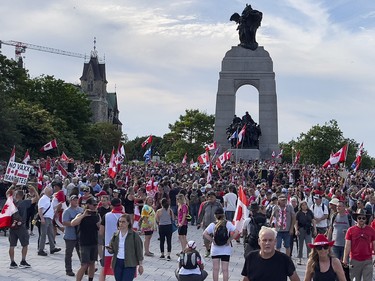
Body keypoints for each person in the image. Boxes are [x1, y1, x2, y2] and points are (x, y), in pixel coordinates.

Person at [6, 186, 38, 269]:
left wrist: (12, 186)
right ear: (22, 196)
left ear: (15, 195)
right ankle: (23, 261)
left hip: (12, 226)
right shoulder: (25, 202)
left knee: (12, 245)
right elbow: (37, 198)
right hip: (21, 226)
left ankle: (12, 262)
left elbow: (7, 193)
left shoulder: (11, 202)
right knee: (25, 244)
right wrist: (34, 189)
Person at [203, 207, 238, 281]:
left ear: (215, 215)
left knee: (215, 269)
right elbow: (237, 232)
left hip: (215, 249)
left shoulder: (213, 224)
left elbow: (205, 233)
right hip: (226, 248)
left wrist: (212, 240)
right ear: (224, 214)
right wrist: (229, 239)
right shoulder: (228, 223)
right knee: (225, 269)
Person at [71, 197, 101, 281]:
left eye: (96, 205)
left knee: (92, 263)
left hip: (94, 241)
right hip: (84, 242)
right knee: (84, 265)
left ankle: (90, 279)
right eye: (94, 205)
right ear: (88, 205)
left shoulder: (97, 215)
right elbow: (73, 223)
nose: (95, 206)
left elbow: (100, 227)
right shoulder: (81, 214)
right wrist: (84, 215)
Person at [107, 214, 144, 281]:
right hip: (117, 262)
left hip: (130, 263)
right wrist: (109, 249)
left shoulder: (134, 235)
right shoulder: (116, 235)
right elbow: (112, 249)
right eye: (120, 222)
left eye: (123, 222)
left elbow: (139, 250)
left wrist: (140, 265)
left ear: (128, 223)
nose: (121, 224)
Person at [343, 208, 375, 281]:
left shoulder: (371, 230)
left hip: (368, 260)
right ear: (356, 219)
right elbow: (347, 246)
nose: (361, 219)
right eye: (359, 218)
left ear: (366, 219)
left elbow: (374, 244)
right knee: (354, 279)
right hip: (354, 260)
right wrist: (345, 259)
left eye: (363, 218)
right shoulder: (350, 230)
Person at [99, 198, 125, 281]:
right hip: (123, 246)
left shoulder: (106, 216)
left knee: (104, 268)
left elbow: (101, 232)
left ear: (111, 206)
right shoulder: (125, 216)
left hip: (108, 246)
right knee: (121, 269)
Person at [62, 194, 83, 277]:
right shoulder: (67, 211)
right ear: (70, 201)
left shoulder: (81, 210)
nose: (76, 201)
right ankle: (68, 269)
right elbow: (64, 222)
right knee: (69, 253)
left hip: (79, 235)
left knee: (81, 253)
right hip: (70, 235)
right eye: (74, 200)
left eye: (77, 200)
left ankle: (84, 268)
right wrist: (74, 222)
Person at [197, 191, 223, 257]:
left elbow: (222, 214)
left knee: (214, 239)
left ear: (215, 197)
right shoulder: (205, 204)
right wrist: (199, 222)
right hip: (206, 224)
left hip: (216, 225)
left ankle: (213, 250)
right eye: (209, 197)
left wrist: (222, 222)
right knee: (205, 239)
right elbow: (201, 214)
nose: (210, 198)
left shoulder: (218, 204)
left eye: (212, 197)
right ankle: (208, 250)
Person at [37, 186, 61, 256]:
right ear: (47, 191)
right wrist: (42, 218)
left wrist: (55, 209)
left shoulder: (48, 199)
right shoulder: (43, 199)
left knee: (51, 233)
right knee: (43, 234)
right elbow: (40, 209)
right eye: (50, 191)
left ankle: (52, 247)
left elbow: (49, 208)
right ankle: (41, 249)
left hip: (49, 218)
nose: (51, 192)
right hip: (45, 218)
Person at [295, 200, 316, 265]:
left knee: (309, 244)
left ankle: (309, 258)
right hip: (301, 229)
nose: (304, 206)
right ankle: (299, 258)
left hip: (308, 229)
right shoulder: (298, 213)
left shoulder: (310, 212)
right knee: (300, 245)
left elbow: (313, 221)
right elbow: (296, 222)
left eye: (305, 205)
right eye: (303, 205)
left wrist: (315, 229)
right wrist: (296, 230)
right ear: (300, 206)